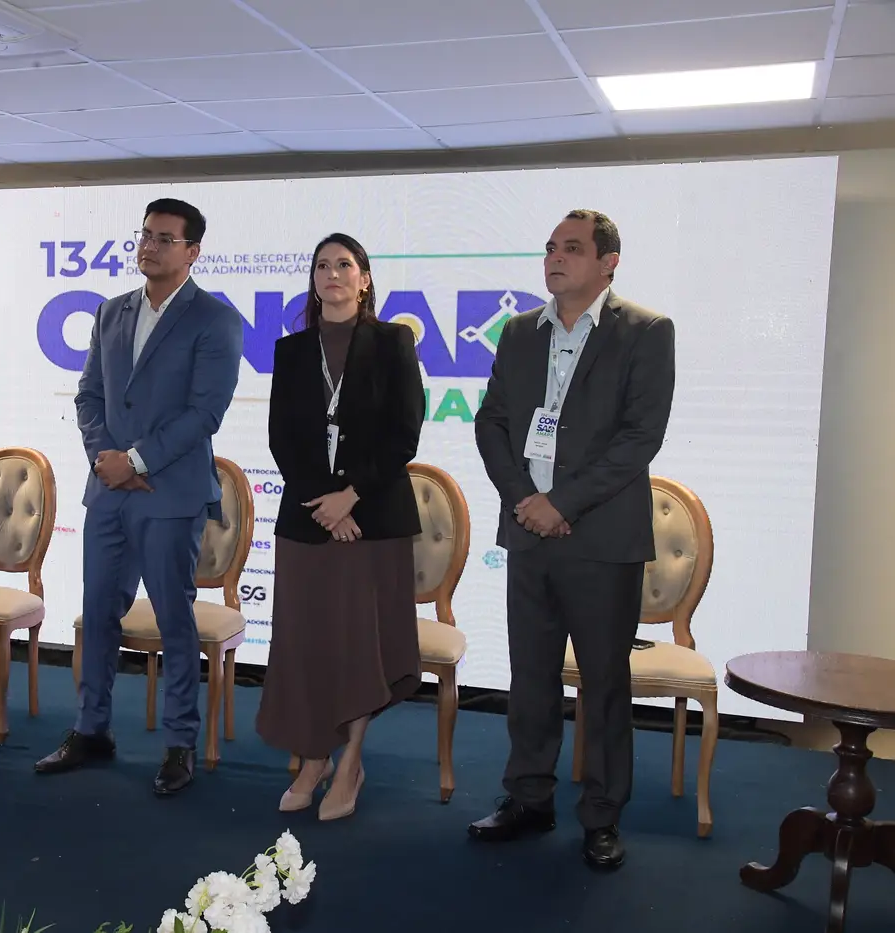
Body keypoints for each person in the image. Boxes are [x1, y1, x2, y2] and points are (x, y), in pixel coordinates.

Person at [470, 209, 675, 869]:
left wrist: (562, 502)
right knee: (530, 677)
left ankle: (602, 815)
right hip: (529, 533)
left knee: (604, 684)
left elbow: (639, 438)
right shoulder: (519, 331)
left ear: (608, 263)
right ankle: (528, 798)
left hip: (601, 540)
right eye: (551, 248)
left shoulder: (645, 331)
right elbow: (491, 421)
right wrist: (524, 501)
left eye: (573, 249)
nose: (556, 258)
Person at [35, 198, 243, 795]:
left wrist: (138, 461)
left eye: (164, 239)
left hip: (169, 495)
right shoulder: (112, 311)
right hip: (109, 493)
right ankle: (91, 728)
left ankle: (180, 742)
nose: (149, 246)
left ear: (193, 252)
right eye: (145, 235)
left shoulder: (215, 320)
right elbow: (89, 396)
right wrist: (107, 459)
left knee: (174, 620)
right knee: (98, 613)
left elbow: (204, 413)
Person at [255, 233, 425, 820]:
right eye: (323, 265)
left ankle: (349, 759)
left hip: (373, 520)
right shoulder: (291, 350)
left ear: (364, 279)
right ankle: (312, 758)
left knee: (359, 645)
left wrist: (350, 498)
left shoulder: (393, 342)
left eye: (345, 265)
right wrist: (323, 504)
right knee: (306, 643)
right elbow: (281, 439)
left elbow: (404, 434)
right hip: (307, 521)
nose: (333, 274)